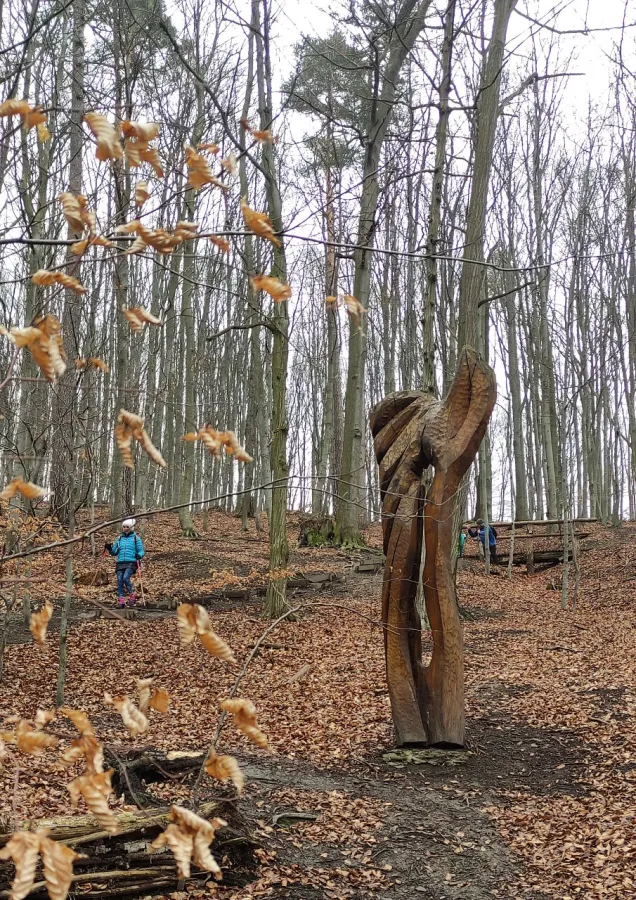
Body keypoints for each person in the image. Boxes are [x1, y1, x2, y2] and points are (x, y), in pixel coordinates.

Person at [105, 518, 145, 607]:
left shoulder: (136, 538)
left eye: (127, 527)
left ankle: (132, 597)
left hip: (131, 562)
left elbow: (141, 551)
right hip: (120, 562)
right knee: (119, 580)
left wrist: (139, 555)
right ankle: (121, 601)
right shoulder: (119, 539)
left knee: (125, 578)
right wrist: (109, 548)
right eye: (124, 527)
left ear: (131, 528)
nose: (125, 528)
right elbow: (114, 552)